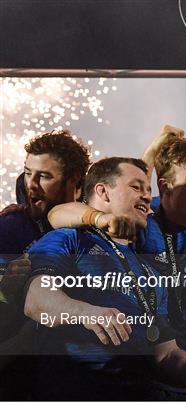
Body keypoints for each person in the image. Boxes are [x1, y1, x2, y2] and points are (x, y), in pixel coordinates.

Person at [47, 138, 186, 400]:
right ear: (166, 186)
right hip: (156, 376)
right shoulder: (145, 220)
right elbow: (58, 214)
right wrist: (99, 218)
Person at [0, 130, 91, 399]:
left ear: (75, 181)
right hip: (21, 382)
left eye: (45, 176)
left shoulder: (97, 227)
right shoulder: (9, 228)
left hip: (85, 378)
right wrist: (6, 291)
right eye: (28, 173)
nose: (32, 184)